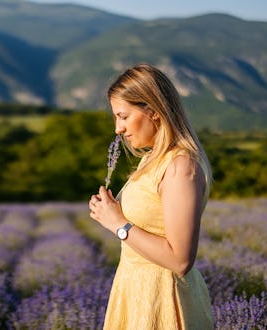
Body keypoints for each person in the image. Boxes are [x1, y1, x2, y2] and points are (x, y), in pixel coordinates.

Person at [89, 64, 214, 329]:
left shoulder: (181, 166)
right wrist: (110, 212)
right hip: (135, 292)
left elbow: (180, 260)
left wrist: (118, 225)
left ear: (154, 111)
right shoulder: (152, 160)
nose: (118, 129)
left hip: (163, 299)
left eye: (123, 116)